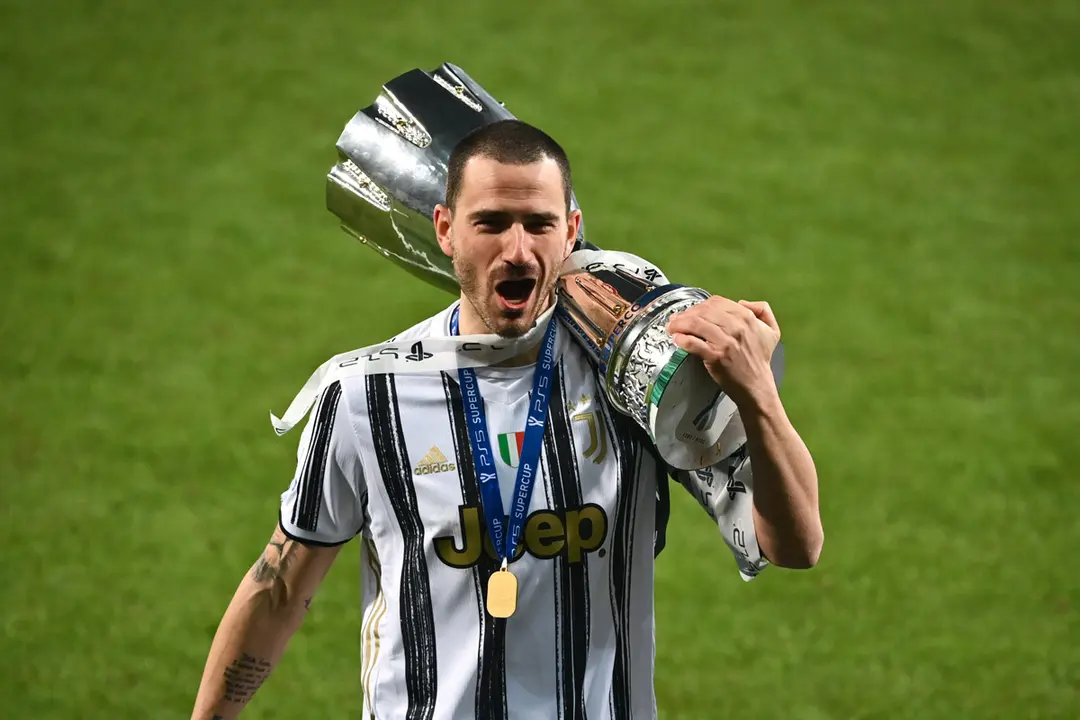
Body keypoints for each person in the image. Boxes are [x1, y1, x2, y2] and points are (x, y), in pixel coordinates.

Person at [190, 119, 823, 719]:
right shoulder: (366, 396)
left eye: (539, 224)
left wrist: (758, 398)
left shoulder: (633, 378)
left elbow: (796, 545)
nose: (517, 250)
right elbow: (278, 591)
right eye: (490, 223)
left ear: (571, 232)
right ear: (445, 229)